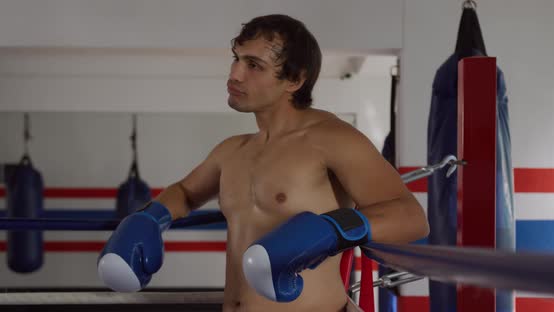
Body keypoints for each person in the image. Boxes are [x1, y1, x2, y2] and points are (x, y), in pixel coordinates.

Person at [97, 14, 429, 311]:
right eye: (236, 59)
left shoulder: (333, 139)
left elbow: (411, 218)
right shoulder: (232, 151)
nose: (235, 74)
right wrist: (150, 218)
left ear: (295, 79)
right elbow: (186, 191)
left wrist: (333, 229)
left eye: (253, 65)